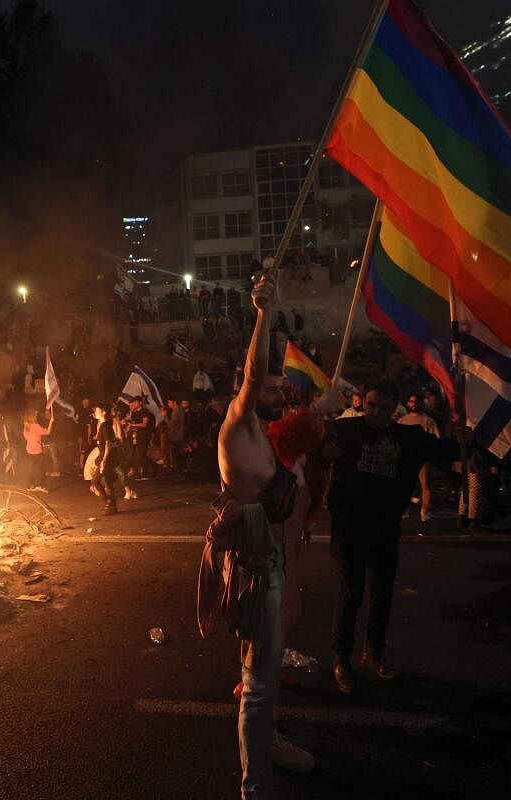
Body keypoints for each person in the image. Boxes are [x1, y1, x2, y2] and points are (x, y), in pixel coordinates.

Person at [198, 273, 315, 799]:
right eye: (265, 387)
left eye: (276, 389)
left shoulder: (265, 436)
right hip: (254, 569)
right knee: (259, 684)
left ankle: (267, 748)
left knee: (264, 673)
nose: (274, 389)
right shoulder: (236, 426)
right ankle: (256, 788)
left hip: (269, 561)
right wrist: (265, 314)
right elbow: (254, 372)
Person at [320, 381, 461, 696]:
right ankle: (341, 658)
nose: (376, 412)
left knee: (381, 595)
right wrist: (322, 450)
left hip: (384, 528)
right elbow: (310, 454)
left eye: (383, 407)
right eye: (371, 405)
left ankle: (375, 653)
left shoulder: (408, 437)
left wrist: (460, 433)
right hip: (349, 528)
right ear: (363, 403)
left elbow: (447, 451)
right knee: (349, 594)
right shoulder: (344, 430)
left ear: (395, 409)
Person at [397, 393, 441, 522]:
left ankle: (425, 511)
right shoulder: (403, 421)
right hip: (405, 458)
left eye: (416, 401)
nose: (413, 404)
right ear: (407, 403)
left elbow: (436, 440)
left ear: (421, 403)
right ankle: (403, 510)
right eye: (411, 401)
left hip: (422, 459)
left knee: (425, 484)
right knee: (403, 485)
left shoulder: (428, 421)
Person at [91, 405, 122, 514]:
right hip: (106, 457)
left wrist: (104, 460)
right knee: (105, 481)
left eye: (98, 410)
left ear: (104, 412)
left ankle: (110, 504)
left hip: (107, 458)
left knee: (97, 481)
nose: (95, 412)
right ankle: (110, 505)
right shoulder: (104, 425)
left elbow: (108, 443)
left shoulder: (105, 425)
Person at [125, 397, 154, 479]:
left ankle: (144, 474)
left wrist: (133, 425)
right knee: (134, 454)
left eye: (136, 402)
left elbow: (144, 424)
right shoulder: (134, 413)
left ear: (140, 403)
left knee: (142, 454)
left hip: (142, 436)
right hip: (134, 436)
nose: (134, 404)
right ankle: (138, 471)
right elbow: (128, 421)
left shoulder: (144, 412)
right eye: (133, 402)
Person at [22, 409, 51, 493]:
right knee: (41, 468)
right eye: (35, 415)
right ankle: (40, 486)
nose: (36, 417)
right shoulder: (35, 426)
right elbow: (47, 432)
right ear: (32, 417)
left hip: (29, 450)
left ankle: (30, 485)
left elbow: (26, 438)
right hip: (37, 450)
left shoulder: (26, 427)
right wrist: (51, 422)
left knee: (32, 468)